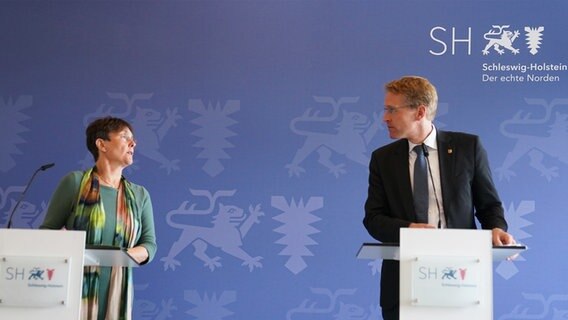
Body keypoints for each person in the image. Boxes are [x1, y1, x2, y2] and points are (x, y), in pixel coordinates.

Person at [363, 76, 515, 320]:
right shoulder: (382, 159)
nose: (385, 117)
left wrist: (496, 228)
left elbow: (489, 205)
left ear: (419, 112)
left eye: (392, 109)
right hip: (404, 285)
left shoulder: (468, 147)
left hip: (460, 280)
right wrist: (410, 229)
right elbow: (373, 219)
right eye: (385, 109)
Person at [41, 116, 157, 320]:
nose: (133, 143)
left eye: (134, 139)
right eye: (124, 137)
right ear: (101, 144)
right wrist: (70, 249)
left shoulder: (140, 195)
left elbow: (149, 246)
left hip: (117, 292)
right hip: (73, 291)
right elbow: (47, 234)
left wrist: (123, 255)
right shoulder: (75, 182)